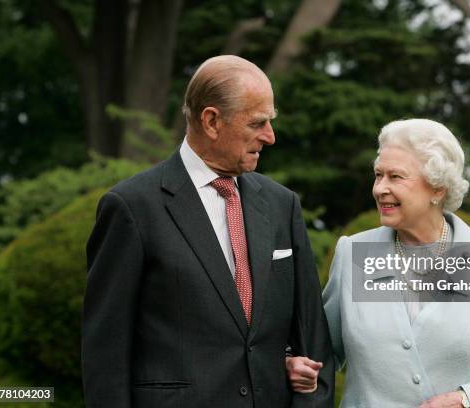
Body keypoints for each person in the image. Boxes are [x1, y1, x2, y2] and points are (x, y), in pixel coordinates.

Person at [82, 55, 334, 408]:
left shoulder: (282, 205)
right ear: (212, 121)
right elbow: (104, 354)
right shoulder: (131, 208)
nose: (270, 136)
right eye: (258, 123)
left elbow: (313, 341)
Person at [287, 119, 470, 407]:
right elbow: (320, 352)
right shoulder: (354, 253)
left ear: (437, 188)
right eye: (378, 175)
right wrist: (294, 362)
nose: (379, 189)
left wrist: (467, 399)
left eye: (396, 177)